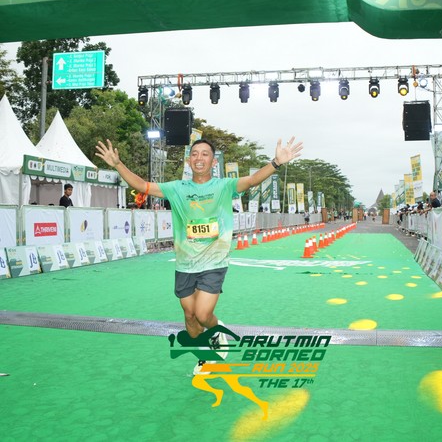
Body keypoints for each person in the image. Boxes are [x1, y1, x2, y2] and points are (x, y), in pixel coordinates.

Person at [95, 136, 303, 373]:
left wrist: (276, 162)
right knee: (190, 317)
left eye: (205, 154)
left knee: (203, 315)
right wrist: (118, 164)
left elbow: (252, 180)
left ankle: (217, 331)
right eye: (194, 154)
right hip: (185, 264)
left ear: (213, 162)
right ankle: (205, 354)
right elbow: (142, 186)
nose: (199, 158)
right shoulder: (177, 188)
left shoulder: (224, 186)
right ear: (188, 161)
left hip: (214, 261)